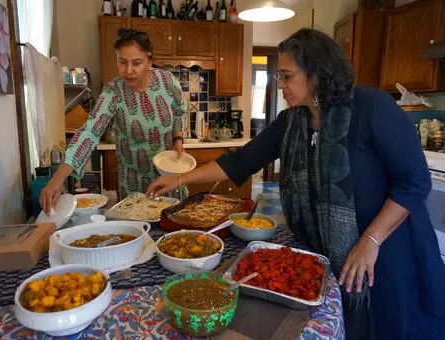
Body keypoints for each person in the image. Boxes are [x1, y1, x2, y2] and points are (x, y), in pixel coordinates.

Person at [147, 28, 445, 339]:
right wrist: (178, 179)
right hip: (327, 253)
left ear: (316, 73)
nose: (281, 84)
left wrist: (370, 241)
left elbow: (414, 182)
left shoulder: (372, 107)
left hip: (386, 250)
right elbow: (240, 162)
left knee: (389, 326)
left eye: (287, 76)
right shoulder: (292, 121)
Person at [40, 29, 188, 214]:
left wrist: (178, 139)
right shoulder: (113, 92)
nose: (128, 71)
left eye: (137, 63)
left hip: (169, 176)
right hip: (133, 182)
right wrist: (58, 178)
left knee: (175, 230)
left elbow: (180, 109)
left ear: (150, 62)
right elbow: (90, 131)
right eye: (122, 62)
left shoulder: (168, 81)